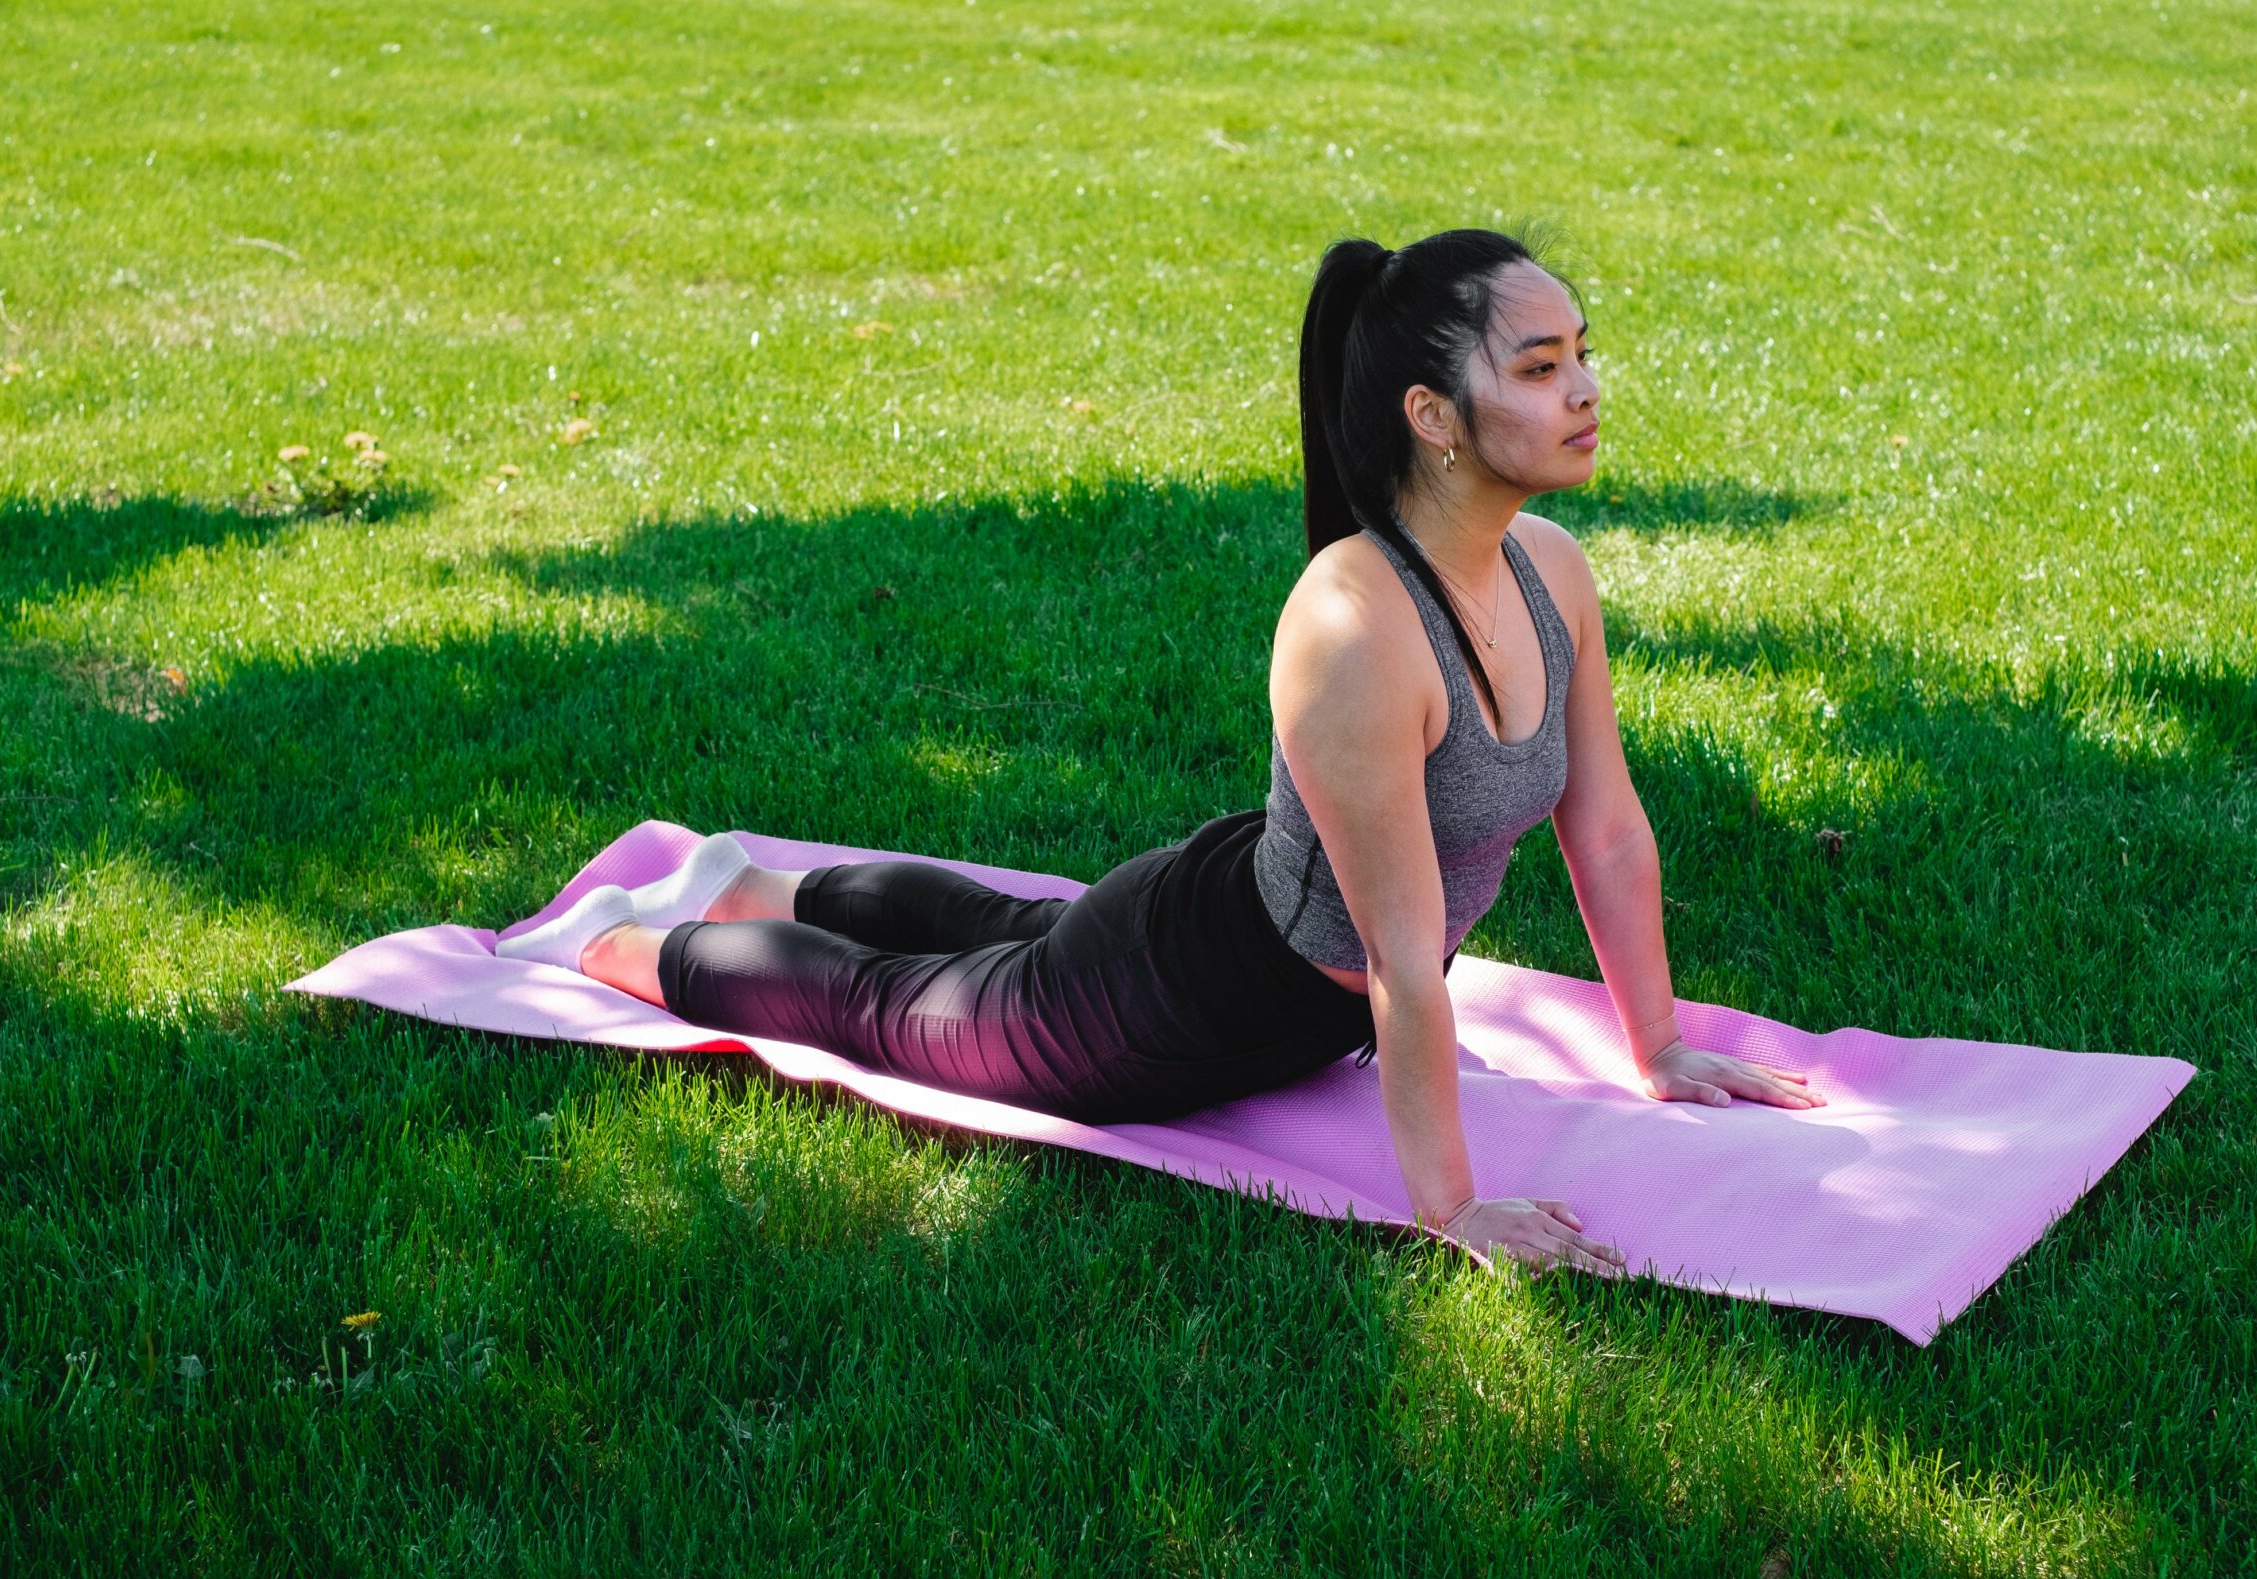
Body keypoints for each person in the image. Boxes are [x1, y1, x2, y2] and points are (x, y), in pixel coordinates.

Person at [497, 226, 1823, 1274]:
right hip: (1180, 1000)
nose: (1585, 388)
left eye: (1580, 352)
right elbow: (1406, 968)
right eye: (1538, 367)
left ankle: (762, 879)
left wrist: (1657, 1044)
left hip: (1241, 932)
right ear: (1430, 415)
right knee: (895, 1013)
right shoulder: (1357, 627)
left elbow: (1605, 828)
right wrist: (1451, 1209)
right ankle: (622, 942)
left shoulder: (1548, 569)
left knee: (1004, 930)